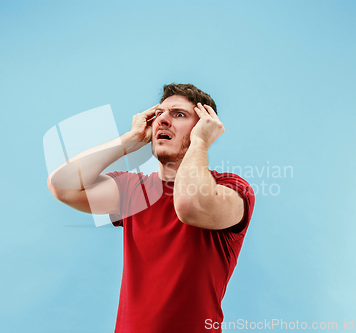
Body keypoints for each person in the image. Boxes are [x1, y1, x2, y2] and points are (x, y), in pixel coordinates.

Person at [47, 83, 255, 332]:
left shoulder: (232, 188)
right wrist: (129, 140)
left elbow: (189, 206)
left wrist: (200, 142)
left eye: (179, 114)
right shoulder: (133, 190)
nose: (162, 121)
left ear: (204, 126)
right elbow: (62, 187)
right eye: (159, 114)